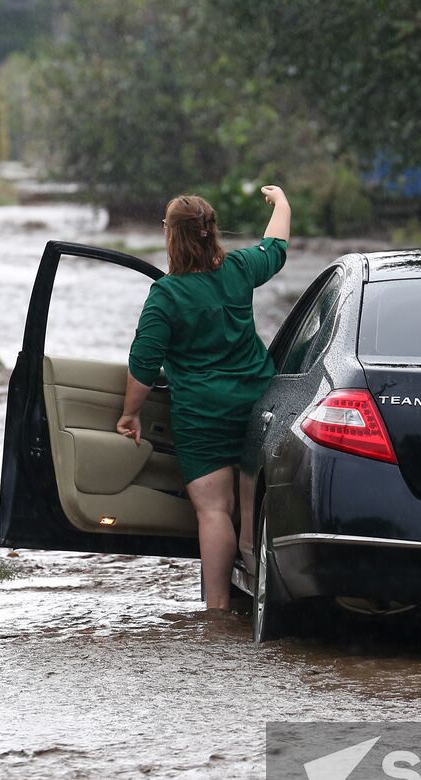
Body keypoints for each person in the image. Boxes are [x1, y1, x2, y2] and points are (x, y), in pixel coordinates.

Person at [118, 186, 291, 611]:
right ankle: (262, 593)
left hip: (203, 414)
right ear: (211, 231)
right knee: (255, 502)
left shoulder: (167, 295)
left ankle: (216, 610)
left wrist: (130, 414)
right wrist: (282, 204)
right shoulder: (238, 269)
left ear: (170, 236)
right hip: (257, 403)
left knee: (214, 510)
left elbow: (143, 363)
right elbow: (277, 248)